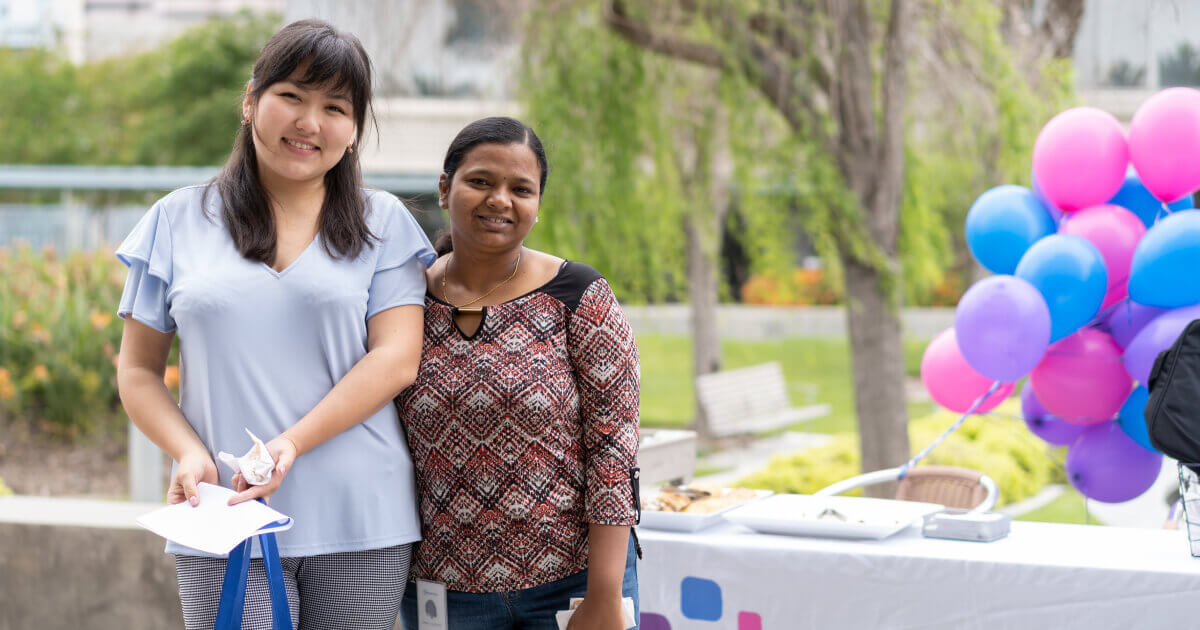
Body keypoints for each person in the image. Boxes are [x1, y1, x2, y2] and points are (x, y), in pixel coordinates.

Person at [115, 19, 434, 630]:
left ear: (354, 130)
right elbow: (137, 370)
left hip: (359, 515)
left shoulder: (384, 223)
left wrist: (291, 445)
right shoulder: (176, 220)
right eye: (291, 96)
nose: (309, 123)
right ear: (251, 101)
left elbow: (396, 359)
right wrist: (187, 453)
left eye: (334, 107)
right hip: (224, 511)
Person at [396, 117, 641, 630]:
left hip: (572, 585)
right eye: (481, 181)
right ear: (446, 188)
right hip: (444, 592)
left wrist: (604, 595)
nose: (499, 200)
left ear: (537, 206)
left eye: (520, 189)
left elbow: (614, 452)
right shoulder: (401, 299)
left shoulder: (578, 296)